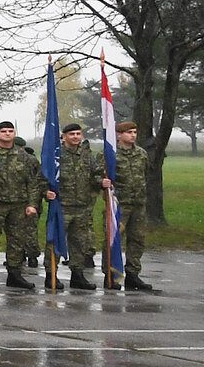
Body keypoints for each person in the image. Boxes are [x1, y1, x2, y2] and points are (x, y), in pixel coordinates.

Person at [0, 121, 41, 288]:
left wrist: (32, 204)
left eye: (10, 131)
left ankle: (14, 274)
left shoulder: (25, 157)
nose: (7, 134)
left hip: (19, 204)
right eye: (3, 131)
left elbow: (33, 183)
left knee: (17, 240)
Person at [51, 122, 104, 290]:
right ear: (64, 136)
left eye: (78, 134)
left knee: (80, 243)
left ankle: (77, 275)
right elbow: (45, 177)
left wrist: (101, 182)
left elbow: (95, 175)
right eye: (71, 134)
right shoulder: (56, 155)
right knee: (55, 241)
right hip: (62, 206)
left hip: (82, 206)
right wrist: (47, 192)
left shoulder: (87, 155)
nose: (75, 137)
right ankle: (51, 274)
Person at [112, 121, 153, 290]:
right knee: (114, 240)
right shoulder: (112, 154)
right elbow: (101, 176)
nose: (133, 135)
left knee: (137, 240)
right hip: (120, 205)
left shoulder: (141, 154)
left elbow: (146, 174)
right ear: (119, 134)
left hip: (138, 204)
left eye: (134, 132)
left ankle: (133, 275)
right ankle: (112, 275)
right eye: (129, 132)